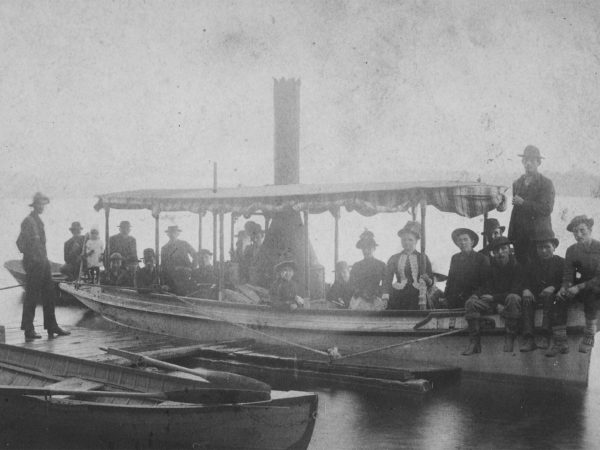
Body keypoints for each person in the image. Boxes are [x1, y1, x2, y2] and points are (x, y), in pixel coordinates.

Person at [17, 192, 70, 341]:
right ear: (35, 205)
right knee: (32, 296)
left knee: (49, 294)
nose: (42, 207)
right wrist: (32, 259)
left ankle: (51, 325)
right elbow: (21, 243)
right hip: (35, 263)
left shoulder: (37, 220)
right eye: (40, 204)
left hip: (43, 262)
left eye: (43, 204)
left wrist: (44, 260)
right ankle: (28, 329)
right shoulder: (28, 221)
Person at [463, 237, 524, 355]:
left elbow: (517, 290)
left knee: (513, 297)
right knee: (471, 303)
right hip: (494, 302)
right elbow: (486, 287)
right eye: (496, 251)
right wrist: (476, 295)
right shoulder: (491, 269)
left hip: (511, 303)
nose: (500, 253)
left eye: (503, 249)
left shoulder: (517, 267)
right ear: (493, 253)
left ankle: (510, 336)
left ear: (509, 250)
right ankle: (474, 342)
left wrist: (495, 299)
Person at [557, 215, 600, 354]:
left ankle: (589, 334)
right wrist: (564, 288)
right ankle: (561, 340)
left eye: (582, 230)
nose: (578, 235)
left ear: (590, 229)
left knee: (591, 293)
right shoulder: (571, 250)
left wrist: (579, 287)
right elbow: (568, 275)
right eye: (575, 232)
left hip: (596, 289)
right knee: (560, 297)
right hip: (578, 290)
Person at [508, 145, 555, 266]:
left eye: (532, 161)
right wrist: (511, 236)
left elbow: (547, 209)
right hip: (520, 237)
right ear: (522, 162)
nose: (528, 163)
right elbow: (515, 211)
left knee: (540, 269)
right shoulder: (517, 183)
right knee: (522, 270)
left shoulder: (546, 183)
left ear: (538, 162)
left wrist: (524, 203)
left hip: (539, 237)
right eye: (525, 160)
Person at [521, 230, 566, 355]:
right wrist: (526, 290)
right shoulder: (531, 265)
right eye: (540, 248)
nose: (544, 251)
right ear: (536, 249)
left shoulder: (562, 263)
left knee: (549, 296)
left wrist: (554, 287)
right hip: (536, 297)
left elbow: (567, 281)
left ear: (554, 247)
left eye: (547, 247)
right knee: (526, 299)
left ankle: (545, 334)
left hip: (552, 297)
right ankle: (528, 337)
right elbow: (524, 281)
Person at [383, 221, 433, 310]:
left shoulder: (423, 257)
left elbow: (431, 280)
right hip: (398, 295)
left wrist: (427, 279)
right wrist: (385, 297)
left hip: (418, 295)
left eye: (410, 239)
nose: (406, 242)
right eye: (404, 239)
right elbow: (387, 279)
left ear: (416, 241)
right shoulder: (394, 258)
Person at [444, 228, 490, 309]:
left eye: (465, 239)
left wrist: (476, 295)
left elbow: (486, 283)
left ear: (472, 242)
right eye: (459, 240)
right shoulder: (455, 258)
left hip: (474, 299)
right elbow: (450, 281)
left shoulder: (481, 258)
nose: (462, 243)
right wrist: (445, 296)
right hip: (455, 299)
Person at [348, 230, 387, 310]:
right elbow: (351, 284)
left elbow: (385, 284)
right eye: (364, 248)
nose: (366, 251)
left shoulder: (381, 265)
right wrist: (361, 294)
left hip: (376, 299)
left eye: (369, 248)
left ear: (374, 248)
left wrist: (376, 294)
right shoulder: (356, 266)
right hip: (359, 300)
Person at [160, 225, 198, 295]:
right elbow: (163, 266)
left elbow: (196, 256)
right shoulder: (164, 248)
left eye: (174, 232)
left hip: (185, 275)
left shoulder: (184, 244)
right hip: (171, 277)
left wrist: (192, 268)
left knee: (186, 294)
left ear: (178, 234)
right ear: (167, 234)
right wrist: (164, 282)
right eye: (170, 233)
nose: (172, 234)